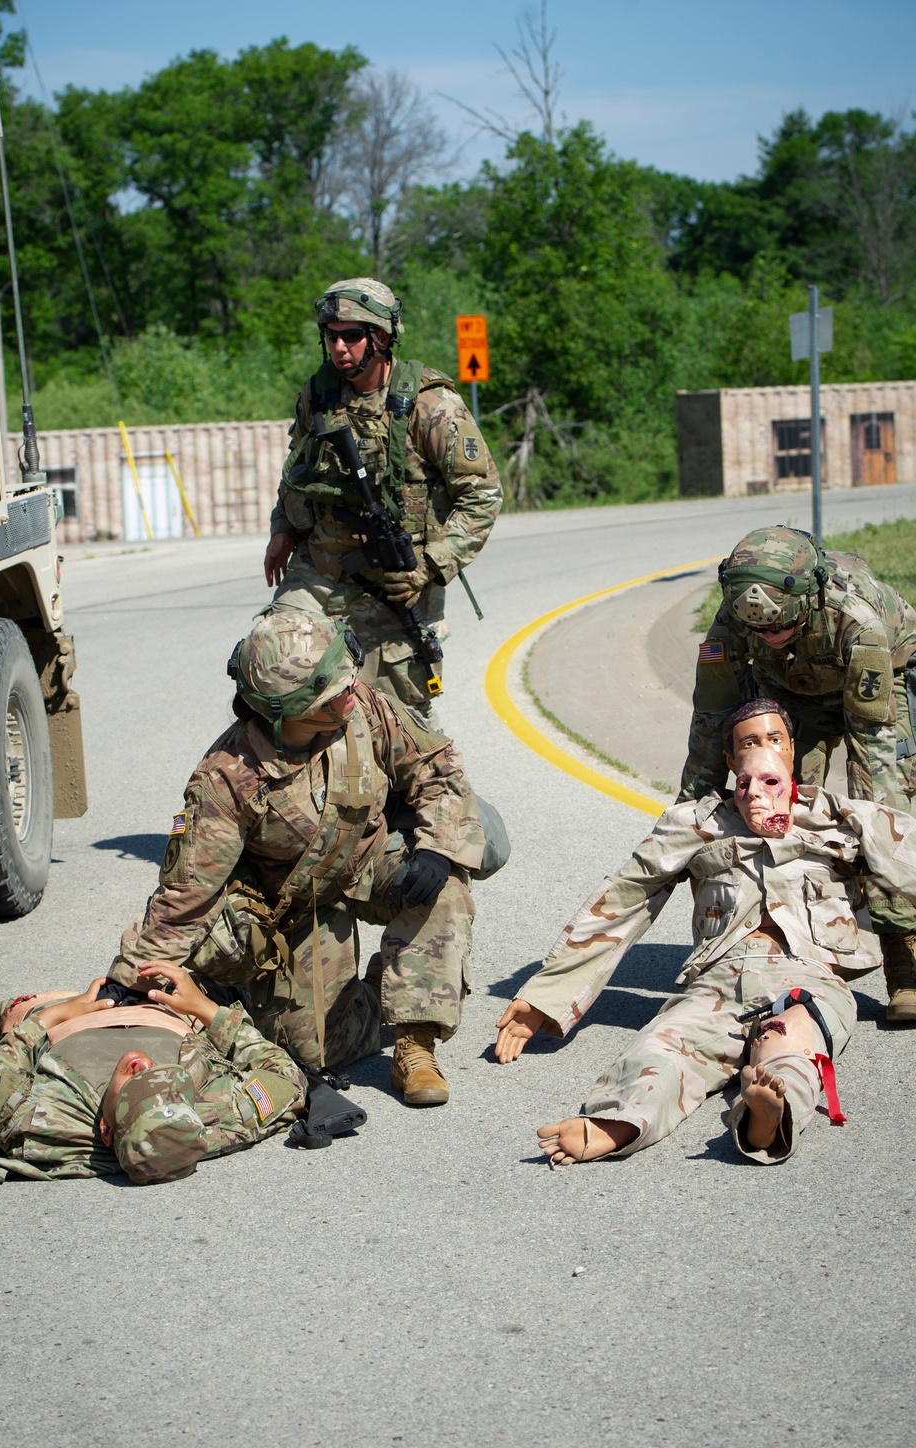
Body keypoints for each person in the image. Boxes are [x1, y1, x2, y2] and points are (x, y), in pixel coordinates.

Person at [103, 609, 497, 1106]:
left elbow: (433, 766)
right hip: (294, 906)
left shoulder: (364, 707)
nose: (351, 691)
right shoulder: (226, 778)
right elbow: (187, 893)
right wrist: (129, 980)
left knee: (444, 890)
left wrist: (439, 848)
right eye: (333, 692)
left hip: (372, 863)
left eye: (347, 679)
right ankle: (375, 996)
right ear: (287, 710)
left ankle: (415, 1043)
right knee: (311, 1055)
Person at [494, 716, 916, 1166]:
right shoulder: (694, 823)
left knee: (789, 1043)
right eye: (748, 743)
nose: (762, 749)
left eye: (774, 739)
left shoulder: (847, 818)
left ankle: (766, 1118)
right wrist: (547, 995)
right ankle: (618, 1123)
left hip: (809, 979)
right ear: (730, 761)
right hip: (718, 982)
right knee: (663, 1045)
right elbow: (623, 900)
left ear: (792, 749)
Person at [679, 525, 916, 1022]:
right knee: (782, 802)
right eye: (759, 631)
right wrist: (689, 815)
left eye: (777, 627)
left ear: (807, 598)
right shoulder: (731, 623)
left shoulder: (857, 621)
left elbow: (874, 755)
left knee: (880, 810)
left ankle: (904, 960)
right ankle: (792, 941)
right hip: (790, 690)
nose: (767, 636)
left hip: (877, 683)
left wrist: (879, 833)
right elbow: (712, 718)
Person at [264, 277, 502, 714]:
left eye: (351, 336)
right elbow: (297, 470)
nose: (339, 348)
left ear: (382, 336)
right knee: (274, 673)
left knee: (396, 724)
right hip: (318, 574)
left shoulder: (432, 406)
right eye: (331, 336)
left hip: (397, 586)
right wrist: (282, 529)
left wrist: (428, 566)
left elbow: (482, 496)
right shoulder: (319, 395)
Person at [0, 959, 306, 1185]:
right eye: (162, 1077)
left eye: (135, 1084)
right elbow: (284, 1077)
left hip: (66, 1018)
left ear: (106, 1130)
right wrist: (203, 1007)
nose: (144, 1065)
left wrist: (55, 1016)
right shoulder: (206, 1120)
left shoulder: (50, 1119)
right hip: (165, 1007)